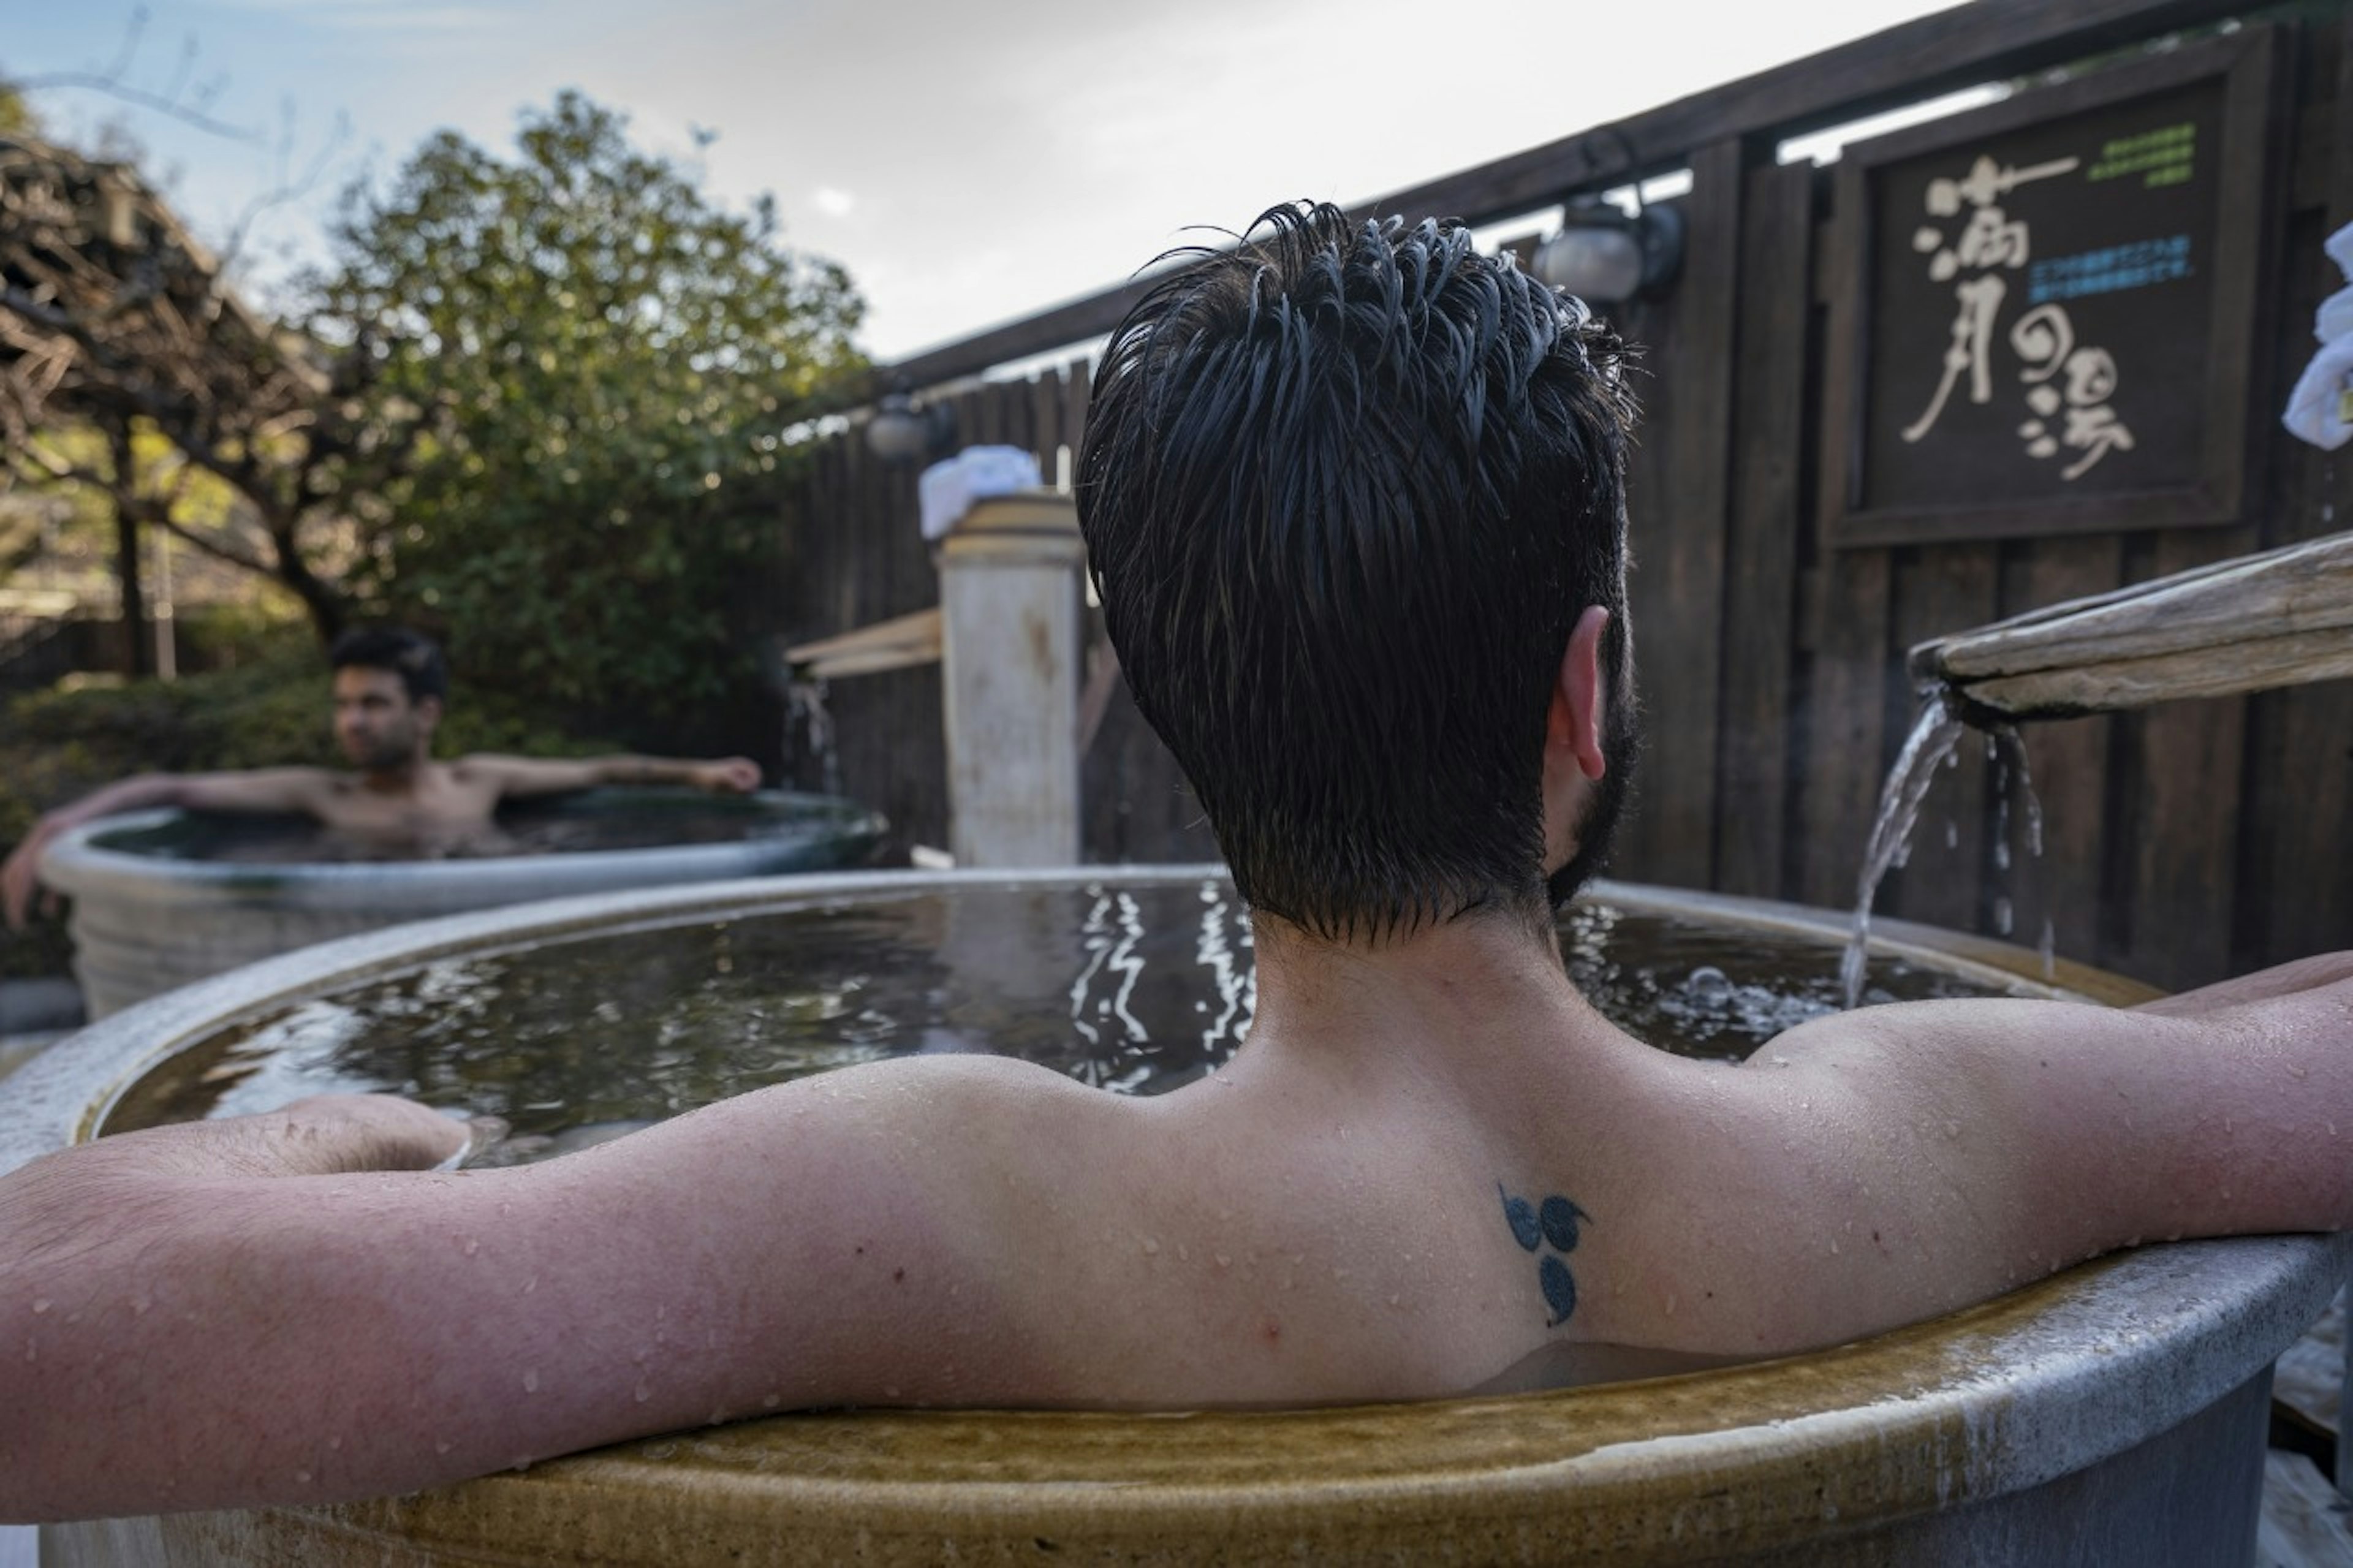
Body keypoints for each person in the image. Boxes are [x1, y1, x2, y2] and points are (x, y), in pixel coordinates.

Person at [2, 203, 2348, 1524]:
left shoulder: (969, 1198)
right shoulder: (1917, 1125)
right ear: (1585, 698)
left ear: (1176, 704)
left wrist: (328, 1129)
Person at [1, 626, 762, 929]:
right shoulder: (322, 797)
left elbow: (604, 769)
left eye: (373, 704)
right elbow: (170, 789)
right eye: (343, 706)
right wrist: (58, 827)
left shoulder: (481, 782)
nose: (353, 723)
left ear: (424, 713)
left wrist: (699, 775)